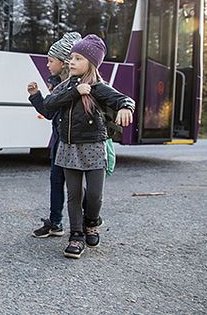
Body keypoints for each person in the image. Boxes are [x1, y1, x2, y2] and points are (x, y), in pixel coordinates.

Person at [42, 34, 135, 259]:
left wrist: (126, 108)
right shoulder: (66, 86)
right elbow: (49, 104)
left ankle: (91, 222)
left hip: (94, 147)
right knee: (73, 194)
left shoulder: (98, 87)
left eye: (78, 58)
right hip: (69, 148)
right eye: (71, 57)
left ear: (91, 63)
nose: (72, 62)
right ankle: (76, 236)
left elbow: (123, 99)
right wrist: (75, 91)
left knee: (94, 195)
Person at [27, 31, 82, 238]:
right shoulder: (55, 83)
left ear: (64, 63)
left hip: (73, 143)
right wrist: (36, 97)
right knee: (56, 181)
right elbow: (49, 113)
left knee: (76, 187)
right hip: (58, 142)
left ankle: (87, 222)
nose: (48, 65)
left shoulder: (74, 85)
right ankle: (55, 222)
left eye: (51, 61)